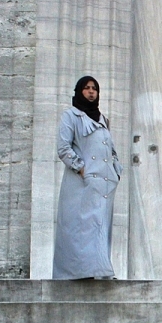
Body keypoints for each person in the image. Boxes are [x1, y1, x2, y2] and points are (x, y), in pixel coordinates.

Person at [53, 76, 122, 280]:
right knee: (81, 227)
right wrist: (81, 168)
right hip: (81, 184)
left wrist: (116, 171)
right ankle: (79, 272)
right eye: (86, 88)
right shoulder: (71, 116)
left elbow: (111, 150)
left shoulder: (103, 119)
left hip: (104, 184)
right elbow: (63, 148)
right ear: (79, 91)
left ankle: (101, 271)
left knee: (100, 226)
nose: (91, 92)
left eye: (94, 88)